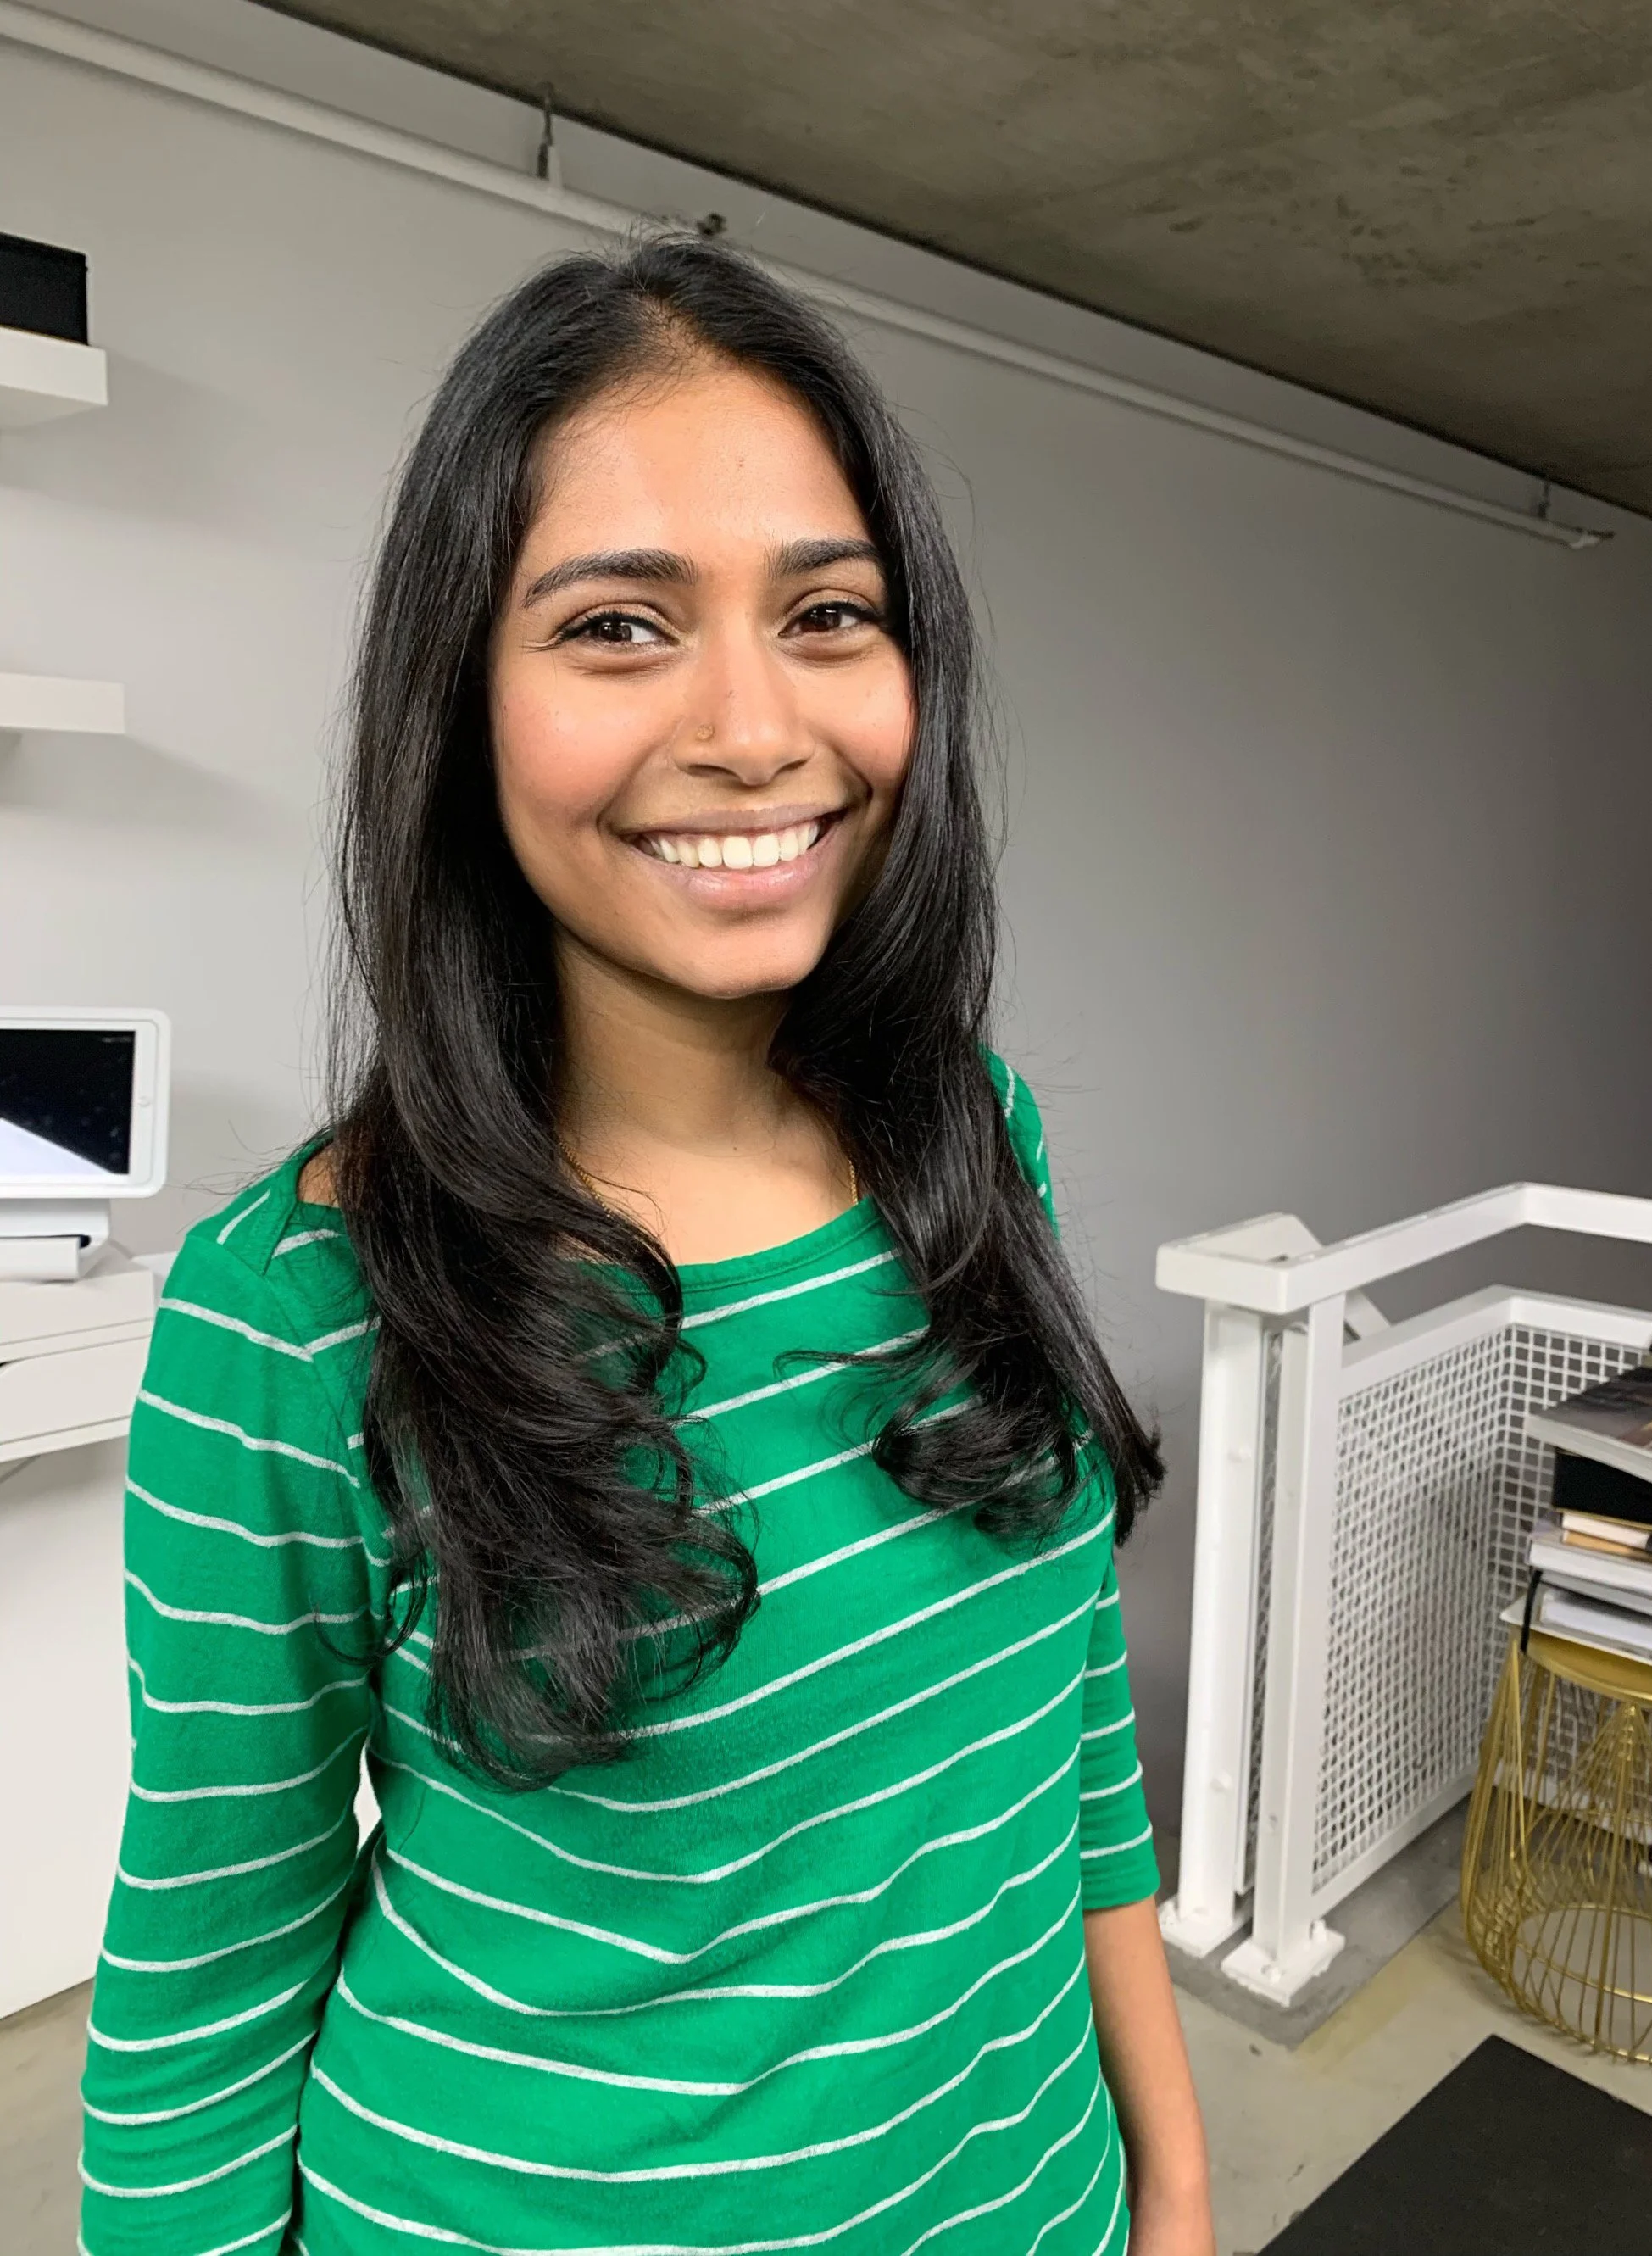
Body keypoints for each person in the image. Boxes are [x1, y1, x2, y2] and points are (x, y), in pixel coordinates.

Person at [81, 237, 1214, 2256]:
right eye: (617, 624)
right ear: (462, 692)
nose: (753, 726)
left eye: (827, 612)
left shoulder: (972, 1136)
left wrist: (1175, 2179)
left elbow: (1064, 1735)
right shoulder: (295, 1318)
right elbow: (204, 1997)